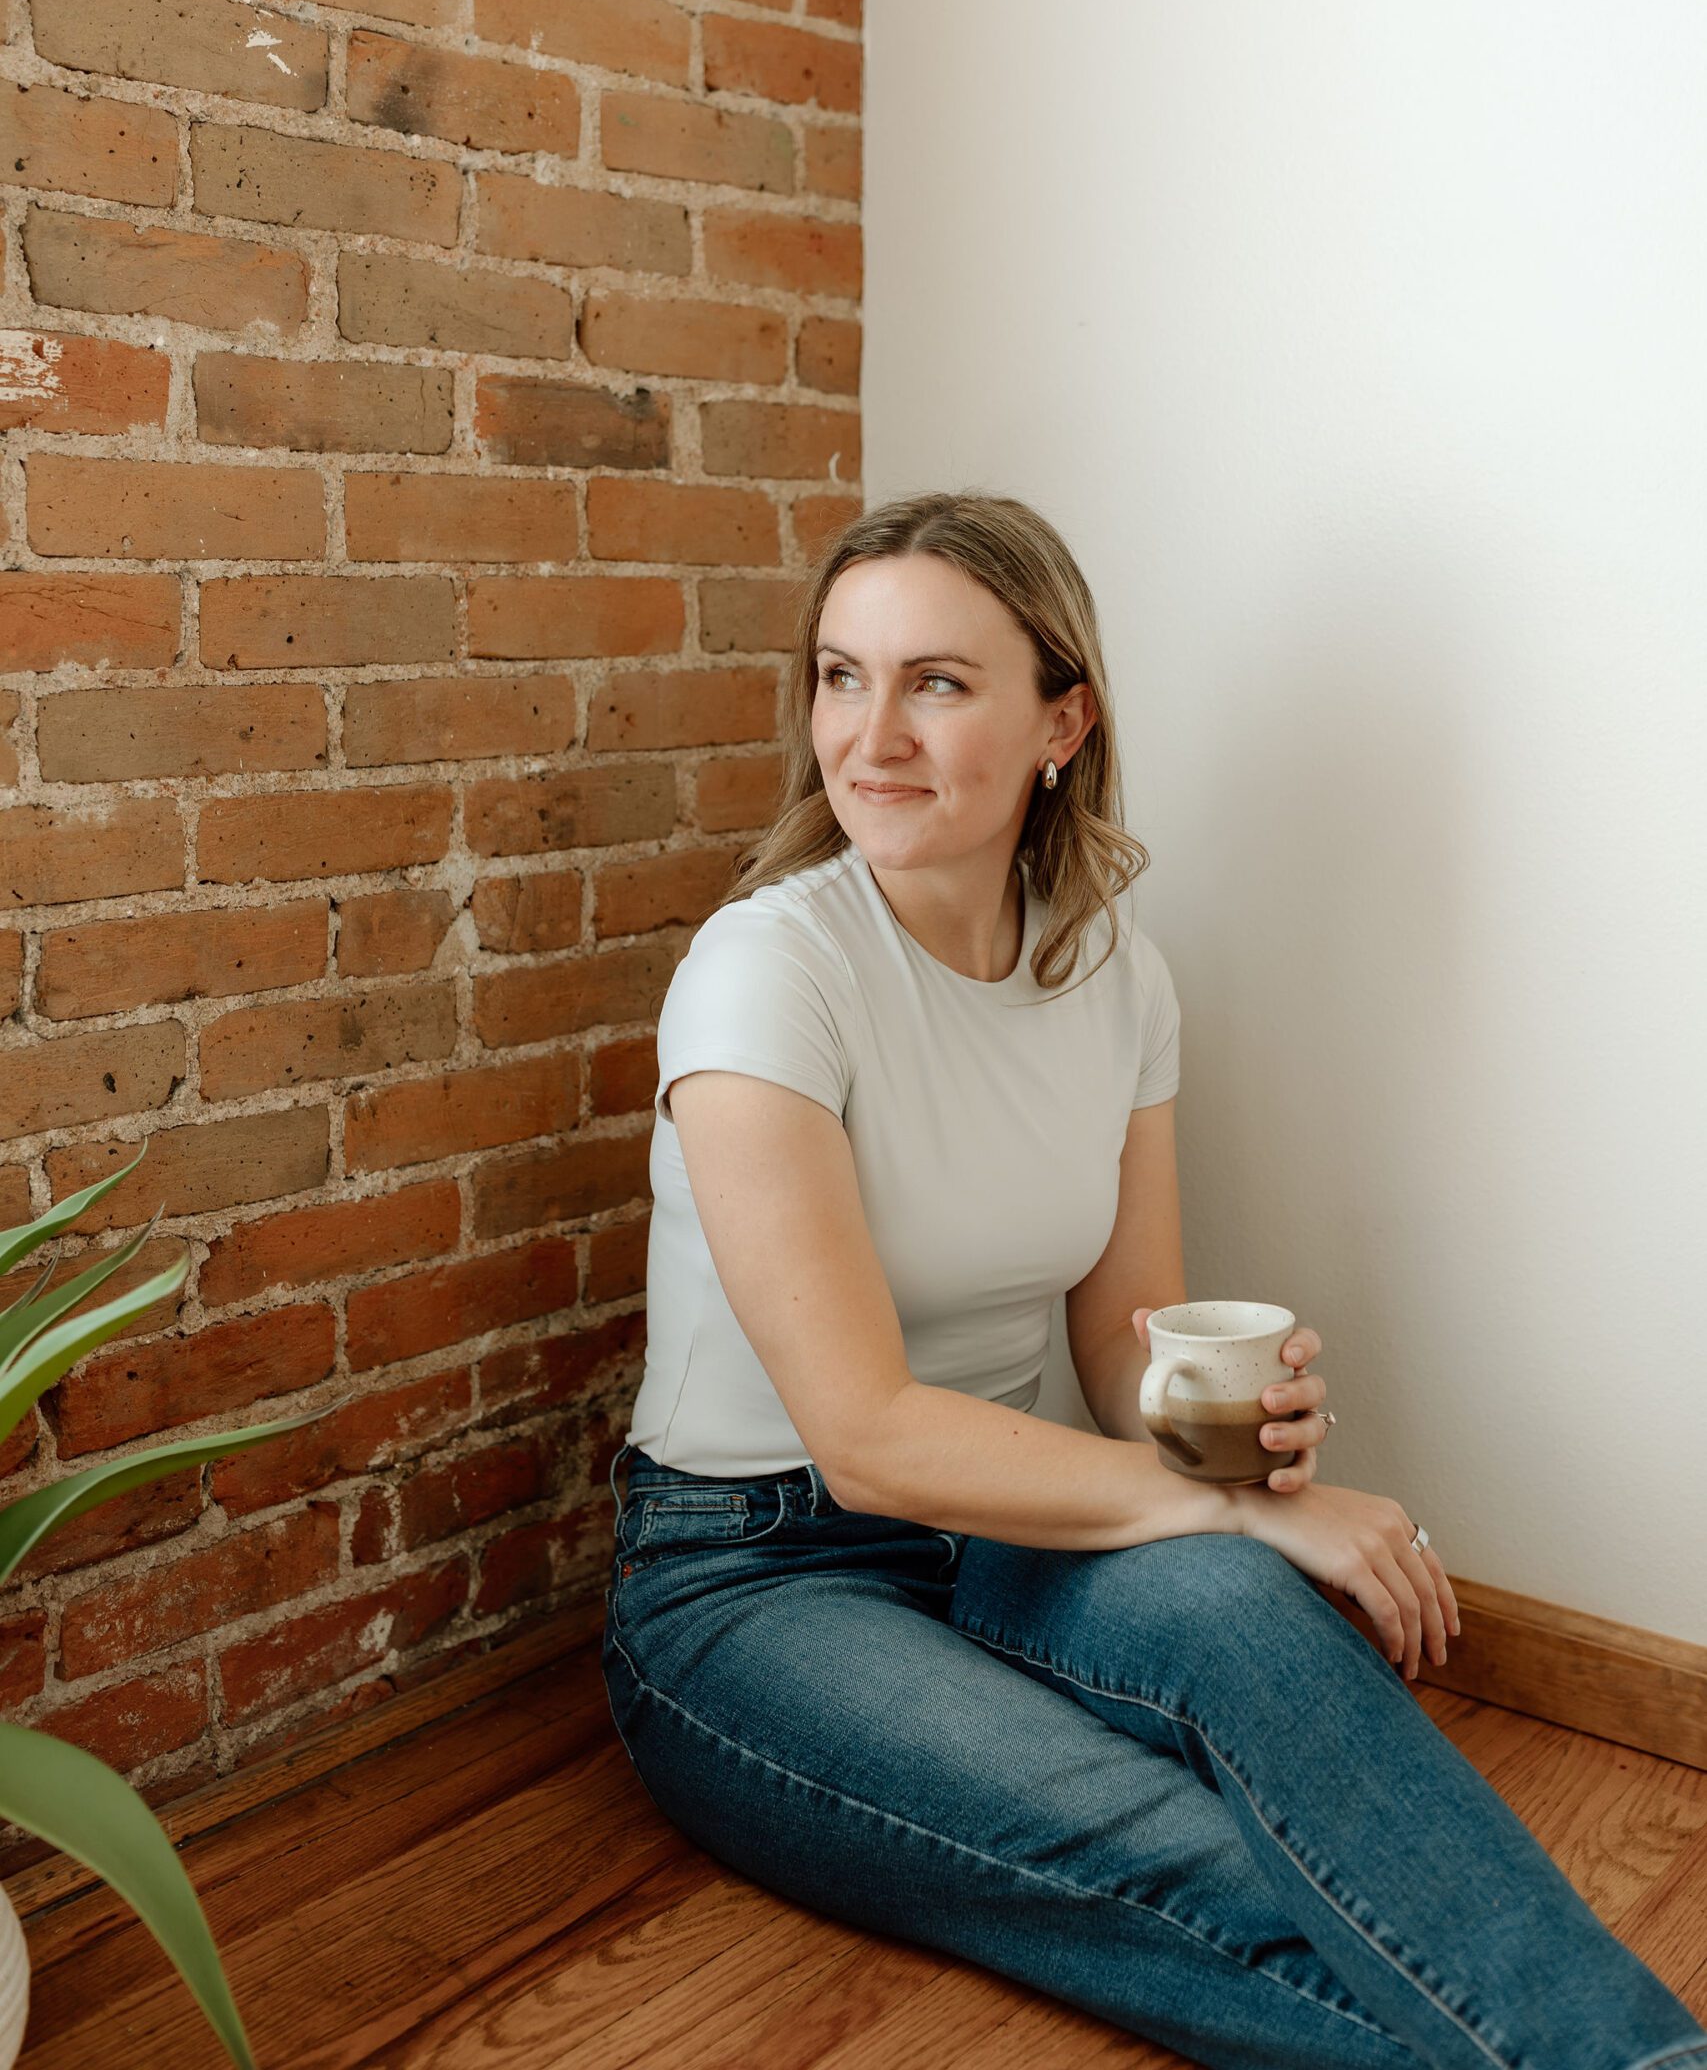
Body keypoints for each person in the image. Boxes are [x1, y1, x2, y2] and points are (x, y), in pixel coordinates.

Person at [602, 488, 1707, 2070]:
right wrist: (1236, 1510)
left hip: (1025, 1523)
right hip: (759, 1576)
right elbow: (866, 1438)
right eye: (843, 677)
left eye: (936, 682)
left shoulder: (1116, 972)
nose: (872, 735)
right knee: (1173, 1852)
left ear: (1063, 721)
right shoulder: (765, 971)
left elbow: (1121, 1346)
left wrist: (1226, 1439)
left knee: (1272, 1645)